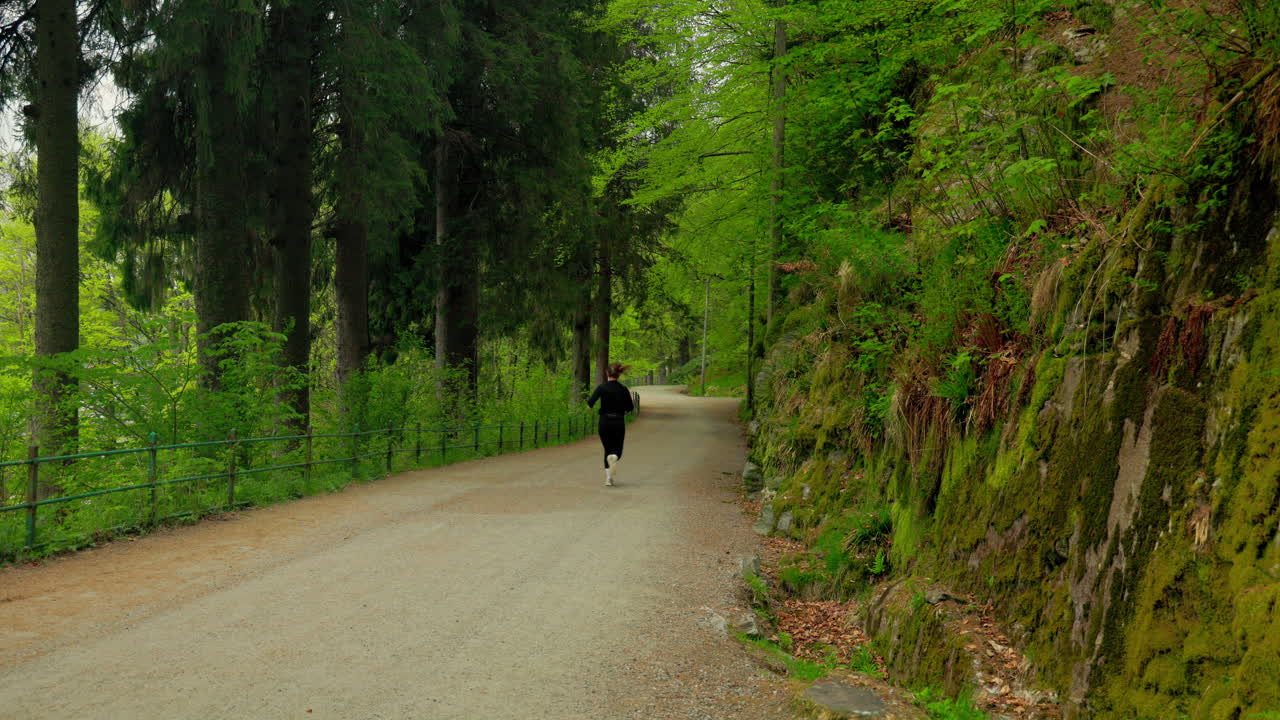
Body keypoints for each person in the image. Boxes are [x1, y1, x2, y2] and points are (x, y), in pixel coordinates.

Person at [586, 362, 634, 486]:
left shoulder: (601, 388)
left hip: (604, 422)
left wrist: (590, 406)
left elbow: (590, 403)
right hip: (618, 421)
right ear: (618, 375)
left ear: (607, 373)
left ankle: (608, 479)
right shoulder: (623, 389)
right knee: (617, 450)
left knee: (607, 450)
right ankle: (615, 458)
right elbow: (630, 407)